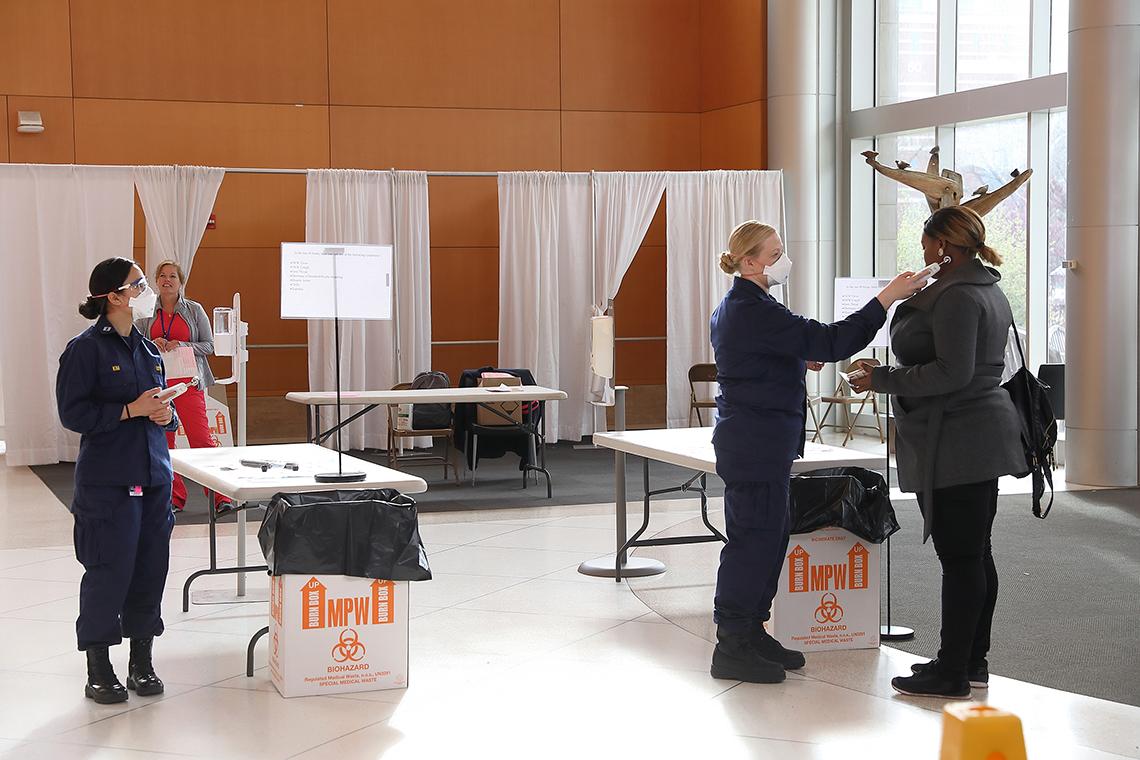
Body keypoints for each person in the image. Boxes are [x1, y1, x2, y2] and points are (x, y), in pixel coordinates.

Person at [709, 220, 924, 683]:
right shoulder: (753, 309)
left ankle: (751, 629)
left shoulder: (747, 305)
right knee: (752, 541)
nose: (783, 260)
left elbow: (758, 359)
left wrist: (790, 357)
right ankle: (732, 643)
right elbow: (833, 340)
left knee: (769, 536)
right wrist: (886, 297)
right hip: (755, 442)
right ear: (749, 262)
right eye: (774, 253)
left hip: (758, 440)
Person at [851, 205, 1027, 699]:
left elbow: (953, 372)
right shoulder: (984, 286)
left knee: (962, 557)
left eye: (927, 243)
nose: (923, 251)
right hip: (971, 436)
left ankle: (952, 670)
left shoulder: (957, 297)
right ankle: (971, 662)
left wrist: (881, 378)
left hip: (959, 439)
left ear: (944, 247)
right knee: (974, 554)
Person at [56, 257, 180, 704]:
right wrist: (130, 409)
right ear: (113, 296)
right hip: (108, 482)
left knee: (150, 570)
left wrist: (166, 412)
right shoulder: (85, 350)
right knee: (110, 571)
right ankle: (98, 666)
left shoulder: (147, 350)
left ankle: (141, 661)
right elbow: (73, 414)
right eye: (138, 284)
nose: (146, 289)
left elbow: (160, 408)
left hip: (153, 478)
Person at [135, 259, 232, 516]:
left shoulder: (194, 310)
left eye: (173, 277)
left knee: (202, 440)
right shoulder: (147, 312)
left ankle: (220, 497)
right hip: (158, 387)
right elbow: (136, 346)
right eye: (163, 276)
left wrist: (183, 345)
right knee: (165, 445)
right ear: (156, 281)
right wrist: (151, 342)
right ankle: (173, 498)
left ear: (181, 282)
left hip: (189, 384)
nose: (167, 280)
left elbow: (209, 346)